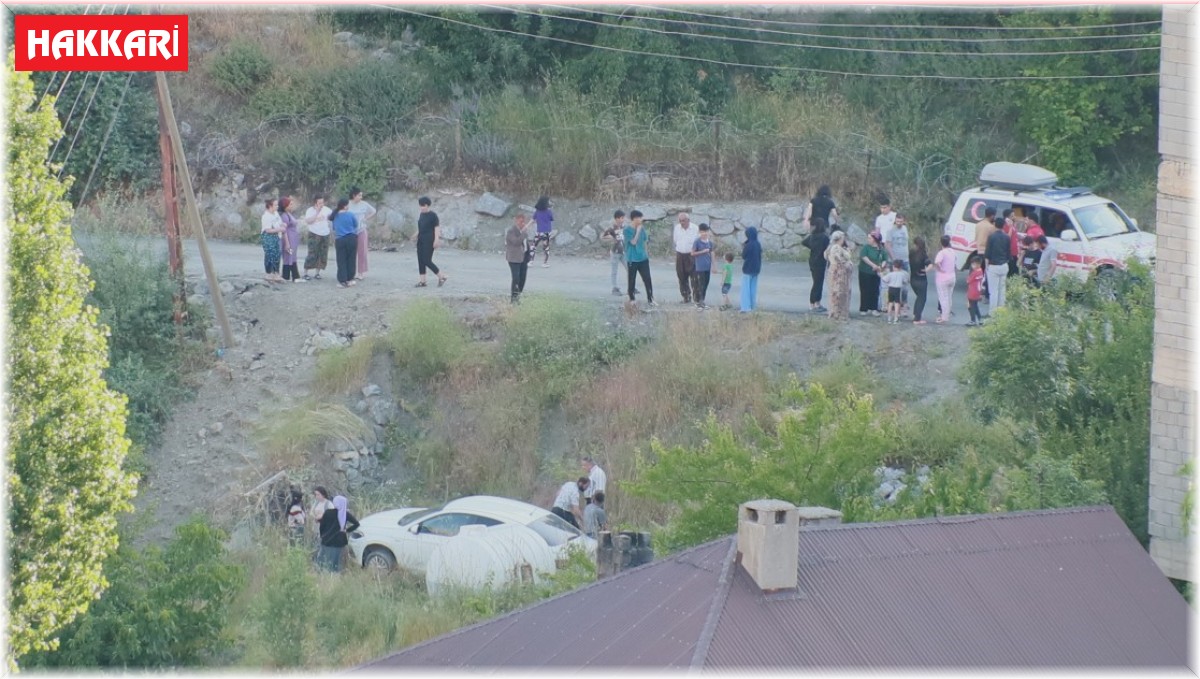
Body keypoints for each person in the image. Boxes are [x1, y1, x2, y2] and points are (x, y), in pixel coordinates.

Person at [317, 495, 359, 572]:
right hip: (339, 541)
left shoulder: (328, 512)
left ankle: (323, 573)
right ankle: (335, 574)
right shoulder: (345, 514)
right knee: (336, 561)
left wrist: (322, 535)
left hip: (327, 540)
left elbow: (322, 526)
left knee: (324, 559)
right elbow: (356, 524)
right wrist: (346, 530)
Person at [624, 210, 655, 307]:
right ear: (634, 219)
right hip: (632, 259)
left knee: (647, 279)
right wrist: (637, 231)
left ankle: (651, 299)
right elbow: (633, 242)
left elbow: (645, 241)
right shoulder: (627, 230)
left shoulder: (642, 228)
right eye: (639, 218)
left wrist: (646, 253)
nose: (641, 220)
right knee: (632, 279)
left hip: (643, 258)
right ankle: (632, 299)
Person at [415, 196, 447, 288]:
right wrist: (415, 235)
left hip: (429, 240)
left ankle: (442, 276)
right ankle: (423, 281)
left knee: (426, 260)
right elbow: (421, 228)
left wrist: (436, 240)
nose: (421, 207)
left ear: (427, 205)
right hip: (420, 239)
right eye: (420, 206)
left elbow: (436, 228)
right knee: (420, 260)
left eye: (423, 205)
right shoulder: (421, 215)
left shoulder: (433, 215)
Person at [801, 218, 830, 313]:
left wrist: (812, 247)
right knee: (818, 283)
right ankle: (814, 303)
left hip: (813, 261)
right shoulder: (824, 238)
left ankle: (815, 303)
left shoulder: (812, 236)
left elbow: (803, 242)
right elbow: (828, 248)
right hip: (821, 261)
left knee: (816, 282)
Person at [347, 188, 376, 281]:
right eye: (359, 195)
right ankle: (351, 271)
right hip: (350, 231)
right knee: (351, 252)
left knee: (362, 252)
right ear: (354, 195)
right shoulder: (348, 204)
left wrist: (366, 218)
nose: (361, 197)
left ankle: (361, 272)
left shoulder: (364, 204)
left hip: (361, 229)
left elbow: (373, 211)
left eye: (361, 195)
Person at [825, 230, 854, 321]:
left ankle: (836, 312)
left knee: (836, 292)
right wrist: (847, 263)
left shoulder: (831, 247)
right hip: (839, 273)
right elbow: (839, 259)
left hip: (836, 271)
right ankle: (837, 313)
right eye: (843, 238)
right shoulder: (836, 248)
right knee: (839, 292)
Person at [302, 195, 332, 280]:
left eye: (322, 202)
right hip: (314, 233)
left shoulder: (327, 209)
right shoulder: (310, 210)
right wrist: (317, 212)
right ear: (315, 203)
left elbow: (331, 218)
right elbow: (308, 221)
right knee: (312, 253)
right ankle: (305, 273)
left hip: (325, 233)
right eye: (319, 203)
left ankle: (317, 273)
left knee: (322, 254)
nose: (321, 204)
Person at [601, 210, 631, 296]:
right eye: (621, 218)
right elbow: (603, 237)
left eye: (623, 218)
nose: (623, 219)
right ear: (617, 218)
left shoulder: (624, 227)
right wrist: (611, 239)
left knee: (630, 269)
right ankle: (614, 287)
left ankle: (631, 287)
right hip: (615, 252)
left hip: (624, 252)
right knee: (614, 271)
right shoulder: (612, 228)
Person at [331, 198, 359, 288]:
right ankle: (350, 278)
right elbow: (356, 224)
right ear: (345, 206)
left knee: (341, 260)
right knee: (351, 259)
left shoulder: (334, 216)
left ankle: (342, 280)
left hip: (340, 239)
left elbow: (334, 228)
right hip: (351, 238)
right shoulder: (350, 215)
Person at [858, 231, 887, 317]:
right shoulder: (866, 247)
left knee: (875, 290)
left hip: (876, 273)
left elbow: (885, 259)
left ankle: (874, 308)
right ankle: (864, 308)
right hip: (865, 271)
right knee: (864, 290)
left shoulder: (881, 249)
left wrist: (881, 266)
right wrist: (873, 265)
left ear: (875, 240)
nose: (868, 240)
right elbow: (864, 257)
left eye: (870, 238)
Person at [672, 212, 698, 304]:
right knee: (681, 277)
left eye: (683, 220)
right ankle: (686, 297)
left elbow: (698, 242)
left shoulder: (695, 228)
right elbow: (675, 240)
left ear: (688, 220)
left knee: (694, 277)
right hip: (680, 255)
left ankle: (697, 299)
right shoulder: (677, 228)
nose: (682, 222)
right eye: (680, 221)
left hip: (691, 255)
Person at [984, 216, 1011, 309]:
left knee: (993, 291)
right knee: (1002, 290)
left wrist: (987, 267)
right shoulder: (1007, 237)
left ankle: (993, 313)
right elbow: (1008, 253)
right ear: (1004, 226)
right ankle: (1001, 313)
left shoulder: (991, 237)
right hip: (1004, 265)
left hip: (993, 266)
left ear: (995, 225)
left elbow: (987, 253)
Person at [505, 213, 532, 304]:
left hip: (523, 258)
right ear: (516, 221)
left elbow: (525, 245)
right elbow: (516, 242)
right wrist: (523, 233)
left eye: (524, 222)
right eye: (521, 222)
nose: (523, 224)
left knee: (522, 278)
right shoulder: (511, 231)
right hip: (514, 259)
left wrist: (529, 256)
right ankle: (513, 299)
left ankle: (517, 297)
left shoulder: (523, 233)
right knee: (516, 278)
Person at [908, 236, 934, 325]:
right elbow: (930, 265)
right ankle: (917, 318)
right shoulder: (923, 254)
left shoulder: (911, 253)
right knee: (922, 298)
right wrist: (925, 270)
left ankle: (916, 314)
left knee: (918, 297)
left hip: (913, 279)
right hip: (921, 279)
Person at [279, 197, 304, 283]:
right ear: (285, 206)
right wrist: (287, 243)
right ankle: (286, 276)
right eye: (290, 204)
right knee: (288, 256)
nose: (292, 206)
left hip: (293, 238)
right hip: (289, 238)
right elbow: (284, 230)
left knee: (292, 256)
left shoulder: (289, 214)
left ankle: (295, 276)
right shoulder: (284, 216)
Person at [933, 235, 957, 325]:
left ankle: (944, 317)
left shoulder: (941, 252)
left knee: (943, 298)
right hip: (952, 277)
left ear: (941, 243)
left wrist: (940, 269)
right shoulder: (952, 252)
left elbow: (937, 262)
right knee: (949, 297)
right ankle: (947, 314)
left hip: (942, 278)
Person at [260, 198, 285, 283]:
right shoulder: (266, 216)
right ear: (270, 206)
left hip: (276, 236)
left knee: (277, 254)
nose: (277, 207)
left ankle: (276, 273)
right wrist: (279, 229)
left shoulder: (276, 213)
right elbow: (268, 230)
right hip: (268, 236)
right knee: (270, 254)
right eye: (275, 205)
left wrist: (283, 225)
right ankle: (269, 273)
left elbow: (279, 222)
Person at [691, 224, 715, 309]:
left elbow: (712, 253)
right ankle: (700, 302)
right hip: (699, 267)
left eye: (706, 231)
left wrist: (714, 266)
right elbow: (692, 253)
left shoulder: (710, 242)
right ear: (699, 232)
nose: (704, 233)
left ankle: (702, 300)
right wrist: (702, 251)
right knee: (700, 284)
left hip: (707, 266)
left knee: (706, 284)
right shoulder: (697, 241)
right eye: (702, 232)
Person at [739, 226, 762, 313]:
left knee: (745, 289)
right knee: (753, 289)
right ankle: (752, 306)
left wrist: (744, 247)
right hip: (756, 269)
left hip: (747, 269)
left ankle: (745, 307)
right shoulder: (758, 244)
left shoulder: (748, 245)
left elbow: (744, 256)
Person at [882, 260, 909, 325]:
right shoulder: (902, 274)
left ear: (893, 267)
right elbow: (905, 281)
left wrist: (881, 274)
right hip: (898, 289)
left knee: (890, 303)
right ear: (901, 267)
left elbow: (884, 280)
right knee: (897, 303)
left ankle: (889, 318)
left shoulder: (890, 274)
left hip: (891, 288)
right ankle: (896, 318)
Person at [532, 195, 554, 267]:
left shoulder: (537, 212)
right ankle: (545, 262)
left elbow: (533, 219)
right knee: (546, 247)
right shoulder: (549, 211)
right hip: (547, 232)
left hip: (539, 232)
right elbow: (551, 219)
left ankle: (531, 261)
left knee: (533, 246)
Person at [966, 258, 985, 326]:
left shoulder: (974, 273)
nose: (972, 266)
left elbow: (968, 281)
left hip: (972, 291)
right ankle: (980, 319)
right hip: (978, 291)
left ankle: (972, 320)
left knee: (971, 306)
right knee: (975, 306)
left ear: (978, 265)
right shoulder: (981, 271)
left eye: (973, 264)